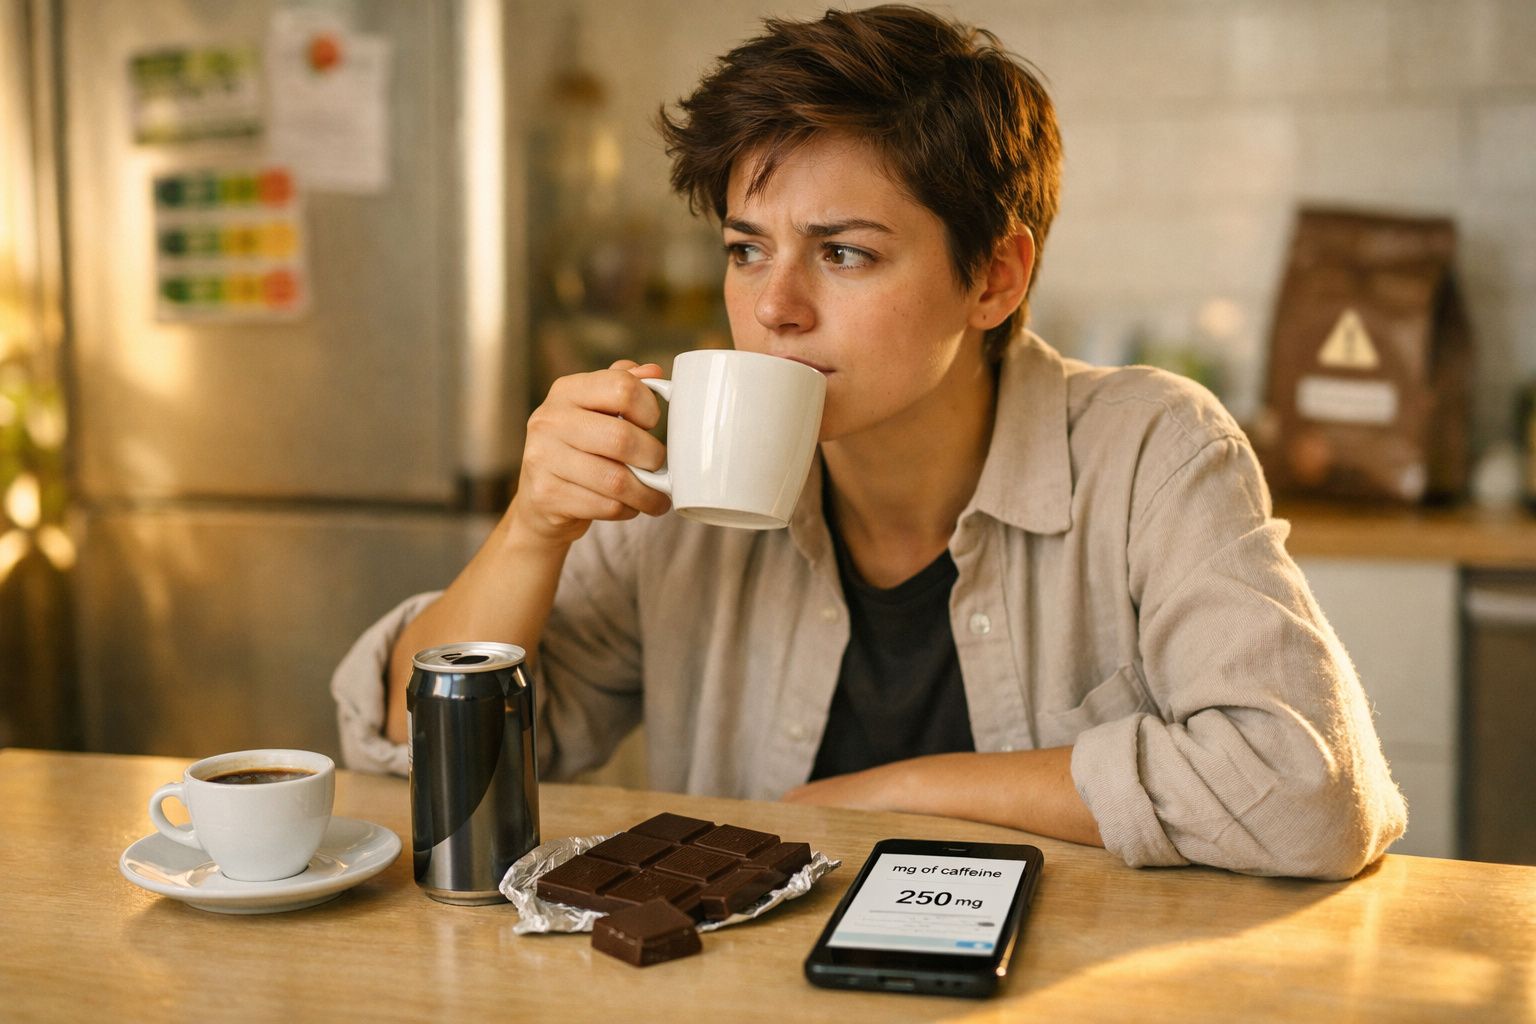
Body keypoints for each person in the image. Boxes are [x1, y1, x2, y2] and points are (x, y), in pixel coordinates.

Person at [332, 5, 1405, 880]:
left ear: (995, 277)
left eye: (843, 254)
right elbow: (410, 760)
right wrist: (535, 527)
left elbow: (1306, 792)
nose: (774, 307)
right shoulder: (687, 477)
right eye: (747, 250)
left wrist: (901, 787)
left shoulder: (1148, 450)